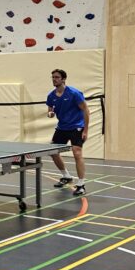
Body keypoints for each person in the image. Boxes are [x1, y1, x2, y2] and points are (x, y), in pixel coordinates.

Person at [46, 69, 89, 197]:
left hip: (76, 127)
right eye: (53, 77)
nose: (54, 79)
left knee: (77, 153)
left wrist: (85, 130)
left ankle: (81, 185)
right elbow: (50, 111)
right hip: (62, 127)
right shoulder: (51, 96)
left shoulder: (74, 93)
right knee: (53, 152)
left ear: (63, 79)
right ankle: (66, 176)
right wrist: (50, 114)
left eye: (57, 77)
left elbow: (86, 110)